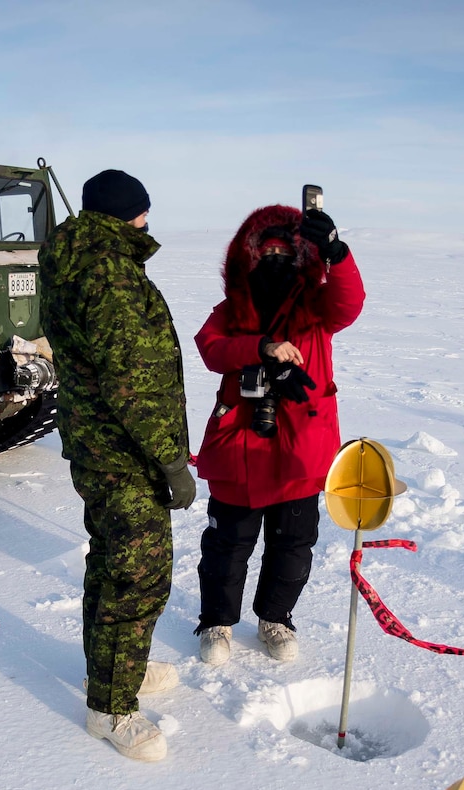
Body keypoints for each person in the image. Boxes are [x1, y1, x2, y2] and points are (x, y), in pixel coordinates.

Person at [40, 169, 196, 762]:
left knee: (110, 563)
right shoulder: (108, 273)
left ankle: (108, 672)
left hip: (99, 445)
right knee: (138, 575)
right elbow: (129, 379)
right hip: (125, 452)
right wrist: (171, 462)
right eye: (143, 213)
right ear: (126, 215)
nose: (148, 222)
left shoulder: (82, 259)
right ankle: (111, 711)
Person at [191, 203, 365, 665]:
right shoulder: (231, 311)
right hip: (240, 448)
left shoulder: (317, 310)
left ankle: (275, 618)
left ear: (303, 259)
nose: (274, 261)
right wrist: (261, 348)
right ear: (245, 260)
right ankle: (216, 622)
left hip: (301, 452)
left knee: (292, 545)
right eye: (264, 252)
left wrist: (337, 252)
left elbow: (350, 302)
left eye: (284, 252)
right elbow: (209, 347)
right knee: (227, 547)